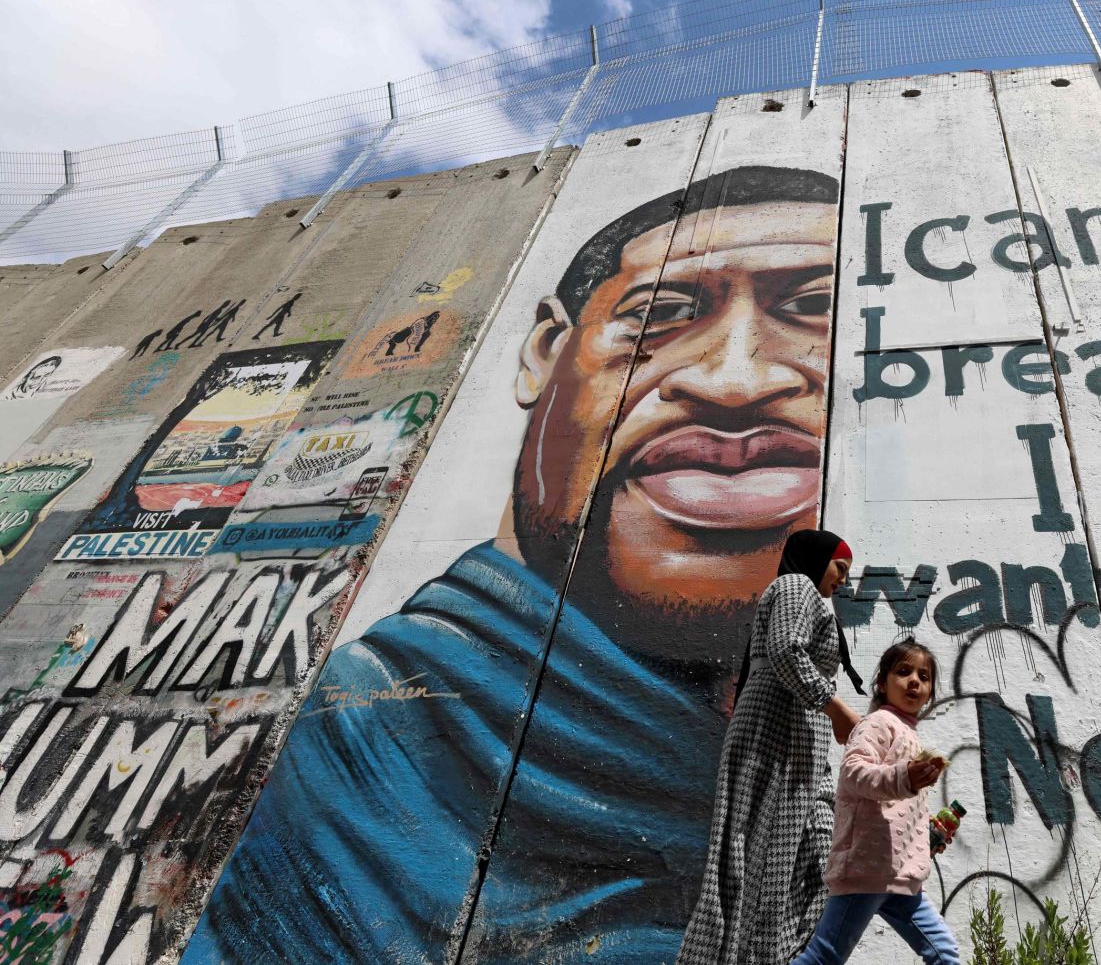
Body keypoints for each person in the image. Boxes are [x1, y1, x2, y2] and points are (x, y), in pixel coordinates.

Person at [186, 165, 845, 964]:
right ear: (542, 352)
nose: (737, 380)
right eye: (662, 314)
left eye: (811, 308)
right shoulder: (373, 729)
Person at [679, 529, 866, 965]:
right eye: (841, 567)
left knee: (820, 858)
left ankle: (774, 955)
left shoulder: (810, 598)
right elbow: (785, 650)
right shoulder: (794, 586)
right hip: (773, 736)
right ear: (818, 558)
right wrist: (834, 708)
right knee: (757, 863)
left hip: (801, 750)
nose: (843, 579)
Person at [792, 640, 959, 965]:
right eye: (903, 672)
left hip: (900, 877)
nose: (914, 681)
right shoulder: (878, 724)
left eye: (924, 677)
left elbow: (894, 809)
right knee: (822, 957)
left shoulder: (909, 734)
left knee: (944, 954)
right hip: (866, 869)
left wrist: (925, 836)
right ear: (882, 684)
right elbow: (854, 774)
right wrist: (904, 778)